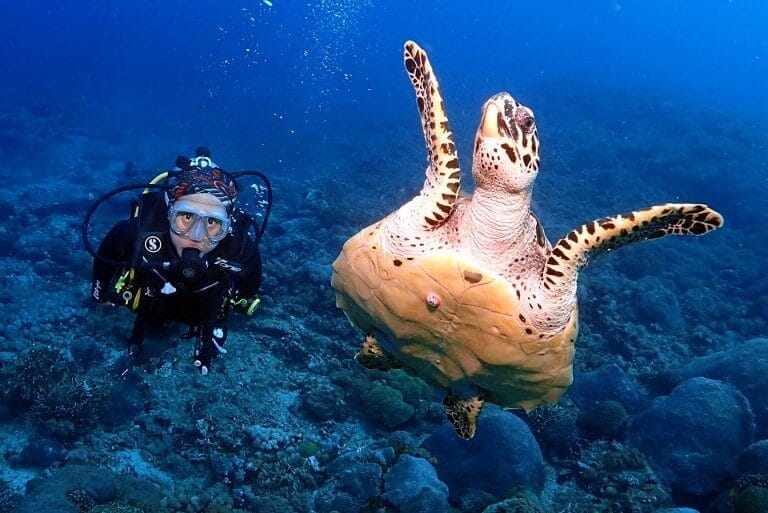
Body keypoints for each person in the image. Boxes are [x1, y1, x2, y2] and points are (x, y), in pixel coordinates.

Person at [87, 147, 269, 375]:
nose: (196, 236)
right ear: (169, 214)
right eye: (186, 216)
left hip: (204, 311)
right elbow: (107, 255)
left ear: (227, 227)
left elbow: (247, 292)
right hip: (151, 304)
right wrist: (100, 296)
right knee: (155, 331)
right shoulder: (135, 235)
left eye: (212, 222)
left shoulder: (242, 252)